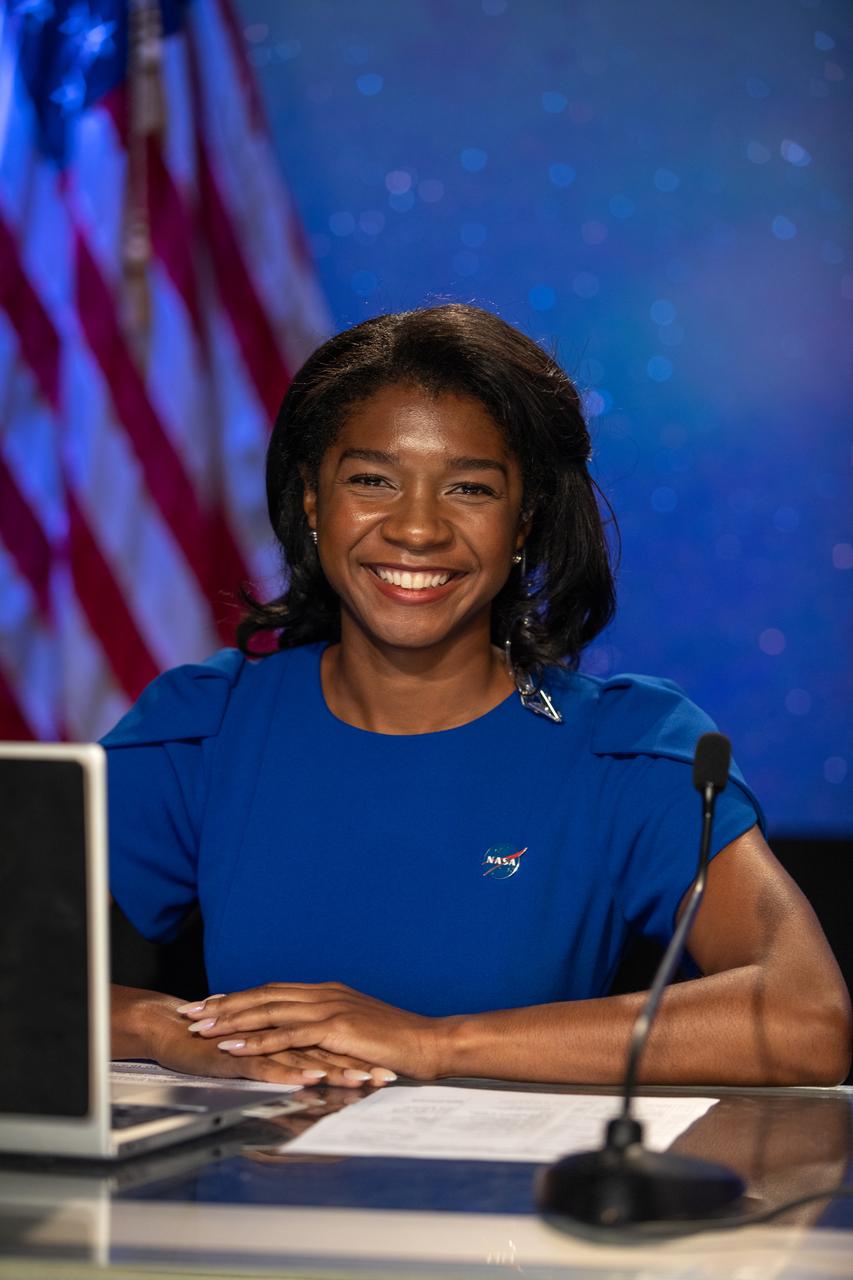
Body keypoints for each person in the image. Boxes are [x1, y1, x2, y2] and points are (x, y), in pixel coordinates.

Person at [108, 304, 851, 1089]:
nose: (418, 529)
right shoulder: (205, 726)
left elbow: (805, 1018)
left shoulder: (628, 748)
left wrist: (431, 1043)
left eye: (469, 489)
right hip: (237, 1196)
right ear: (313, 501)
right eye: (372, 480)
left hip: (517, 1205)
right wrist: (163, 1027)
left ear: (523, 521)